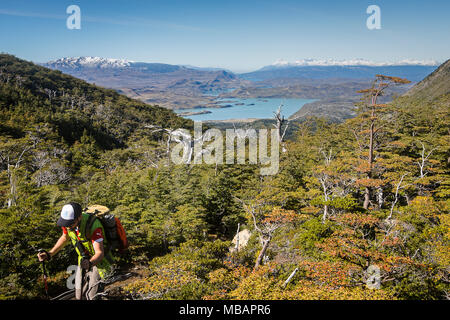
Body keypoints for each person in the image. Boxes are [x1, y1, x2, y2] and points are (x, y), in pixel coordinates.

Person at [37, 202, 114, 300]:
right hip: (82, 259)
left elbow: (99, 252)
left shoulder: (94, 226)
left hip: (100, 263)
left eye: (70, 224)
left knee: (92, 296)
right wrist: (50, 253)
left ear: (79, 217)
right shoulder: (68, 222)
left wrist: (90, 263)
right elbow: (65, 237)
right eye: (66, 224)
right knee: (79, 295)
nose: (68, 227)